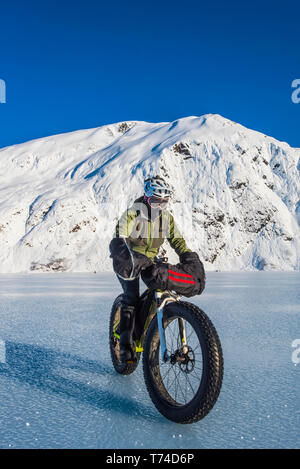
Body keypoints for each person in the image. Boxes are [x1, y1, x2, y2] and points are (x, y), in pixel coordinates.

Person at [109, 176, 200, 363]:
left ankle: (145, 325)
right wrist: (124, 251)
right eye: (155, 201)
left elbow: (177, 240)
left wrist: (188, 257)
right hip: (129, 259)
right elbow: (121, 234)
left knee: (161, 285)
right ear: (146, 198)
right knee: (131, 297)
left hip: (150, 260)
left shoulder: (166, 219)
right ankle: (125, 344)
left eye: (163, 202)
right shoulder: (133, 214)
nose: (159, 206)